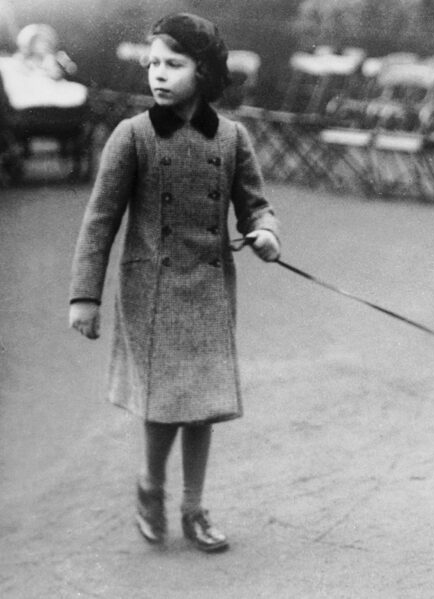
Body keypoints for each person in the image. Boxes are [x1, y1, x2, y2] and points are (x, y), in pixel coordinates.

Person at [68, 13, 281, 552]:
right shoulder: (132, 136)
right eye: (153, 63)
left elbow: (256, 206)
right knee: (164, 405)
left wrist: (266, 234)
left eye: (173, 64)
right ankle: (151, 485)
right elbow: (100, 221)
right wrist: (84, 296)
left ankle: (193, 507)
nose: (158, 74)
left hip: (209, 289)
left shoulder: (231, 138)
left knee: (202, 403)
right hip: (152, 292)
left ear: (204, 72)